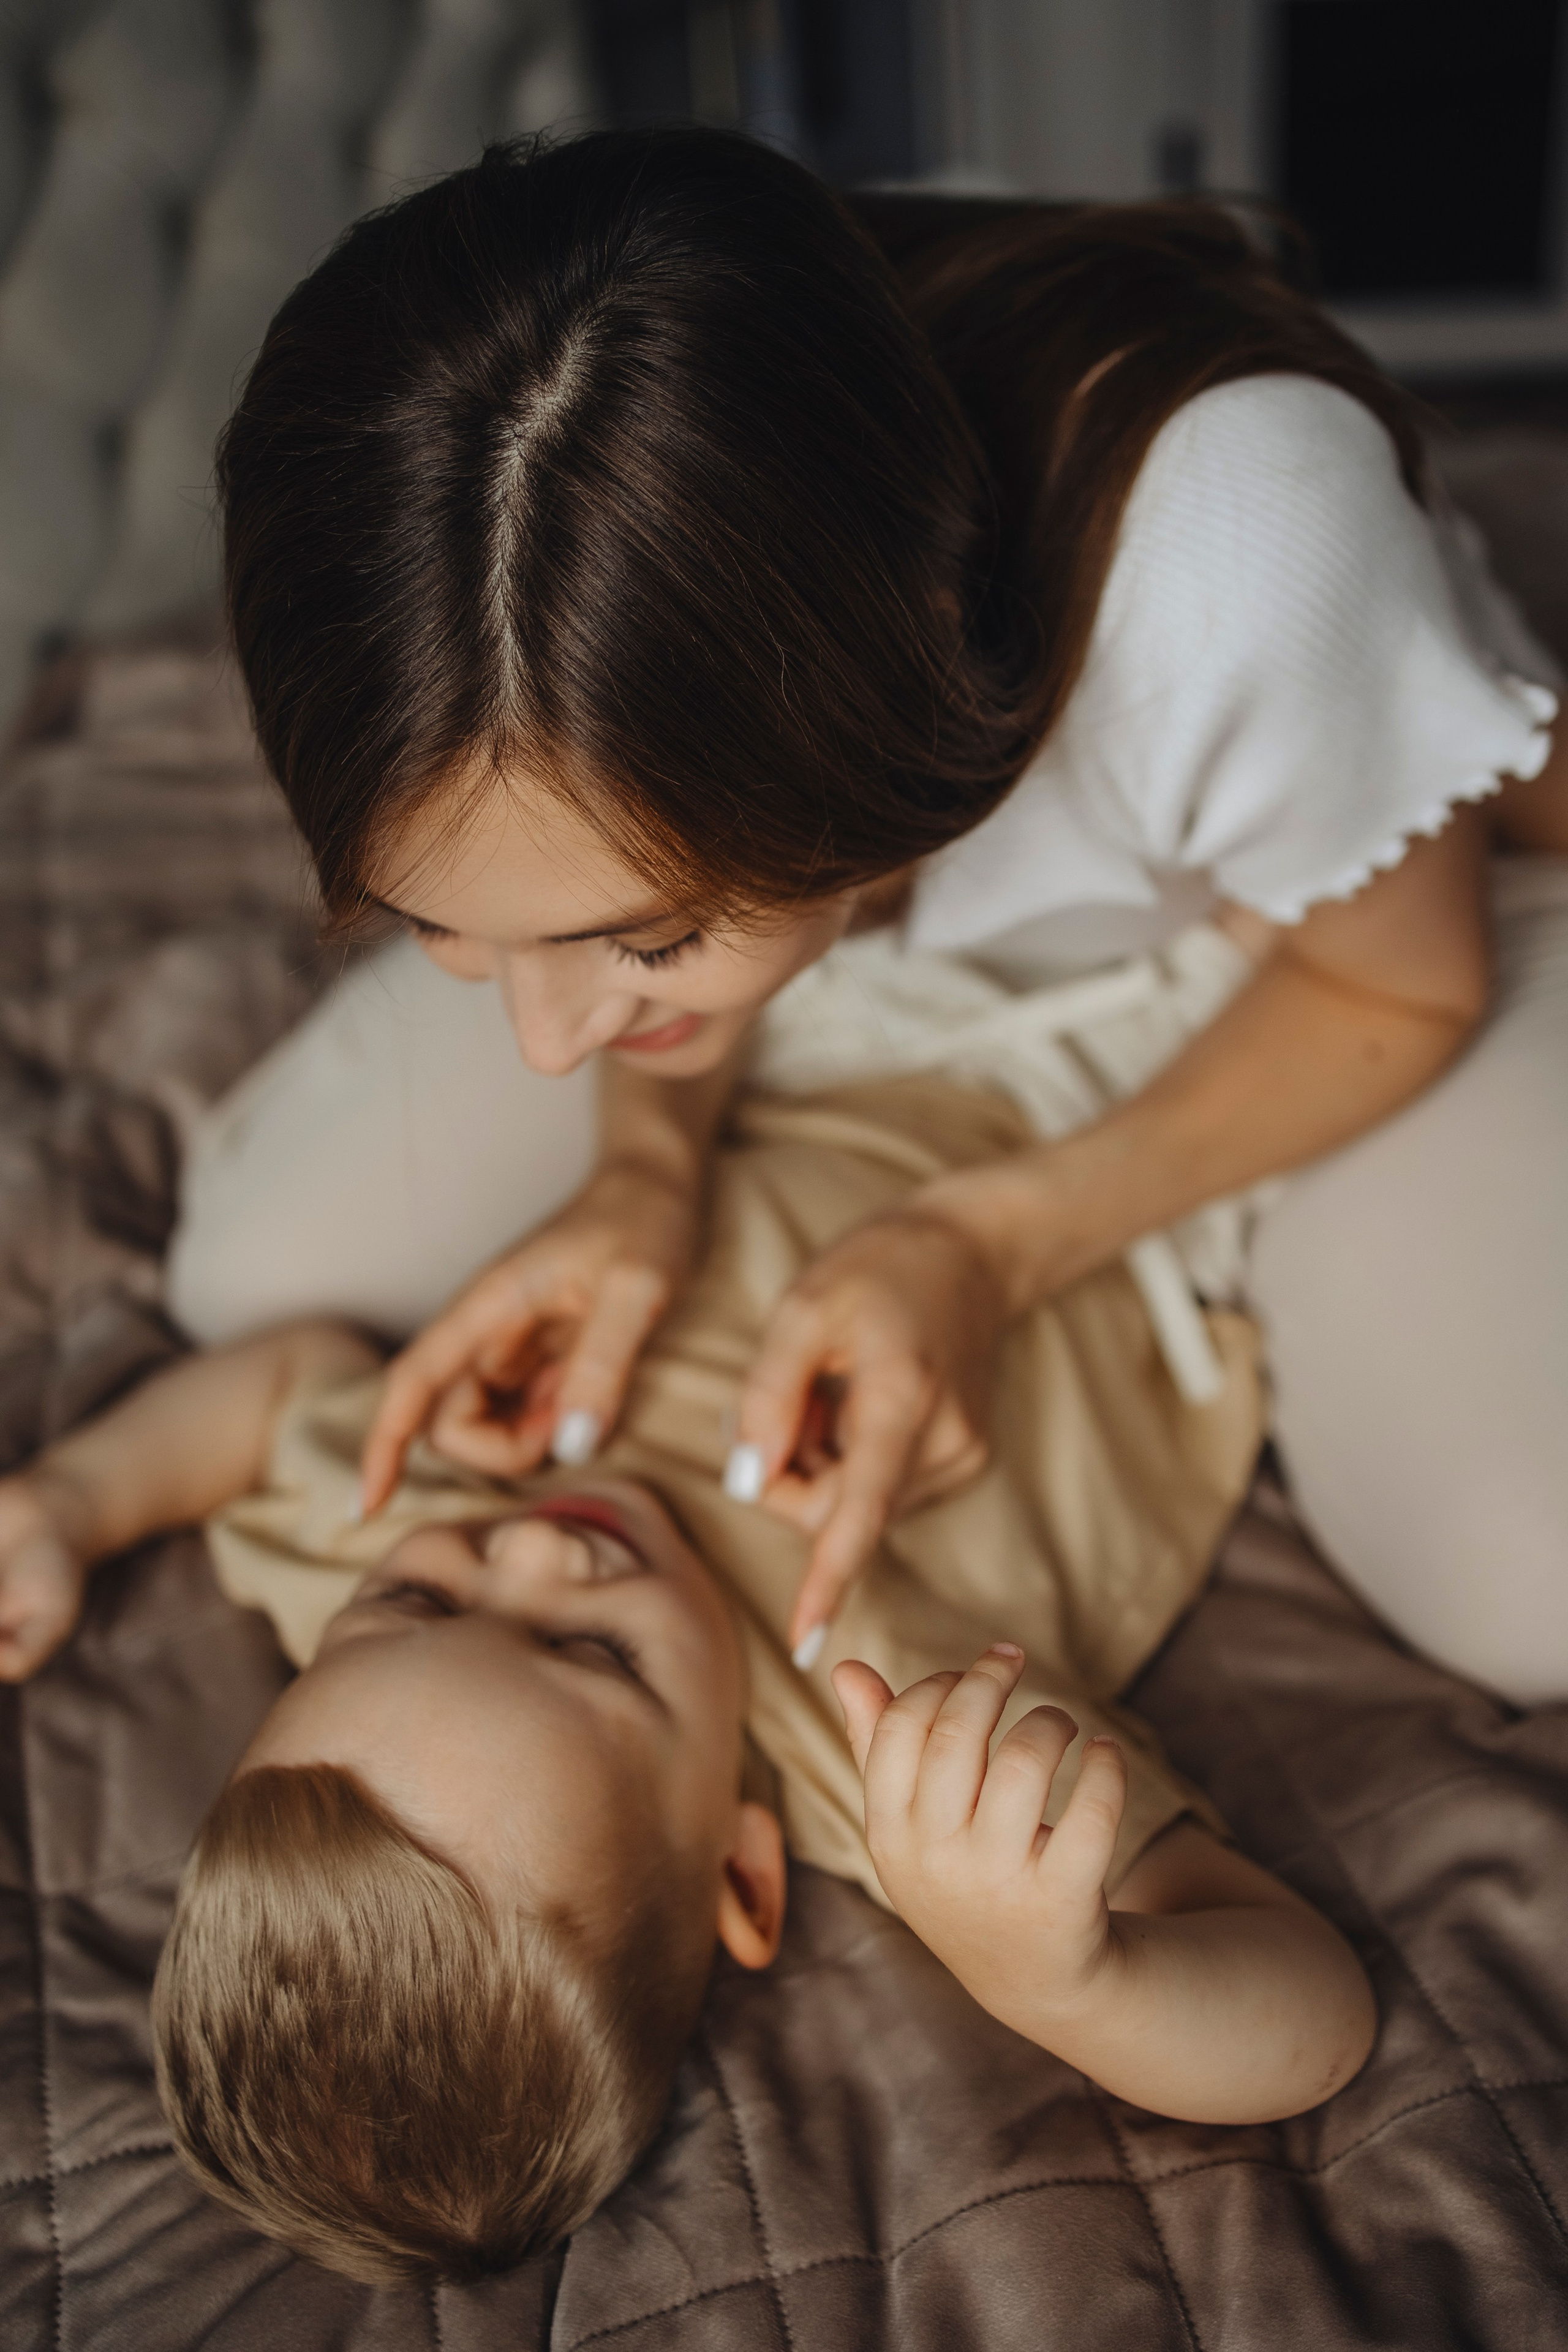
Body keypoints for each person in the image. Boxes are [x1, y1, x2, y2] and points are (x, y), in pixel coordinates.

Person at [167, 130, 1568, 1704]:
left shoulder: (1241, 542)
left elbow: (1401, 984)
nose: (544, 1048)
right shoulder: (486, 560)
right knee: (254, 1286)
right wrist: (640, 1172)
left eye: (639, 941)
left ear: (880, 712)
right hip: (842, 890)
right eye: (453, 929)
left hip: (1310, 938)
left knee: (1536, 1578)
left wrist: (985, 1240)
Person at [0, 1076, 1369, 2285]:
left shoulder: (381, 1605)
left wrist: (77, 1500)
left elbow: (281, 1393)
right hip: (1131, 1155)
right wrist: (1062, 1980)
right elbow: (1315, 2015)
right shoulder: (873, 1719)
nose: (529, 1541)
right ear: (740, 1872)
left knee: (238, 1279)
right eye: (592, 1654)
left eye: (409, 1595)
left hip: (828, 1057)